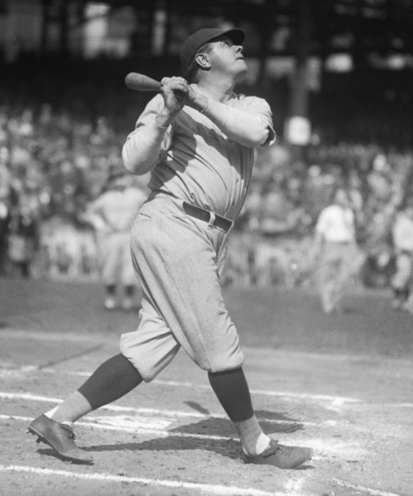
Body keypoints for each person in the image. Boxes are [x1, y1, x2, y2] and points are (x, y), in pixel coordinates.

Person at [26, 27, 313, 470]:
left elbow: (253, 134)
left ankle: (56, 420)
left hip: (205, 234)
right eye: (226, 44)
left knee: (150, 346)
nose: (239, 47)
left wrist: (196, 102)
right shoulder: (166, 104)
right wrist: (165, 114)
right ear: (201, 59)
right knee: (218, 342)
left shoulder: (251, 105)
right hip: (174, 223)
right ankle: (256, 444)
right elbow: (134, 162)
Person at [85, 167, 147, 310]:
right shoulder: (106, 197)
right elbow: (90, 213)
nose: (119, 181)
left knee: (130, 268)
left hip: (130, 234)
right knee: (109, 266)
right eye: (116, 178)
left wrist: (140, 224)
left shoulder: (136, 195)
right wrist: (102, 226)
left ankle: (128, 299)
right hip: (111, 236)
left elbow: (149, 209)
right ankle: (110, 298)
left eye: (122, 177)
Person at [312, 188, 362, 314]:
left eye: (344, 195)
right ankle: (328, 303)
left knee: (348, 274)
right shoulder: (328, 212)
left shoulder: (348, 213)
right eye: (340, 196)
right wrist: (316, 247)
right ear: (334, 198)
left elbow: (351, 233)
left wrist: (354, 249)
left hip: (346, 246)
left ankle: (334, 295)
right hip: (331, 245)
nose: (343, 198)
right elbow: (320, 231)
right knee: (328, 274)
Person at [390, 203, 413, 313]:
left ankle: (408, 302)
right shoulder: (401, 224)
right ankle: (397, 298)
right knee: (403, 276)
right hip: (405, 253)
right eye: (410, 209)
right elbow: (398, 241)